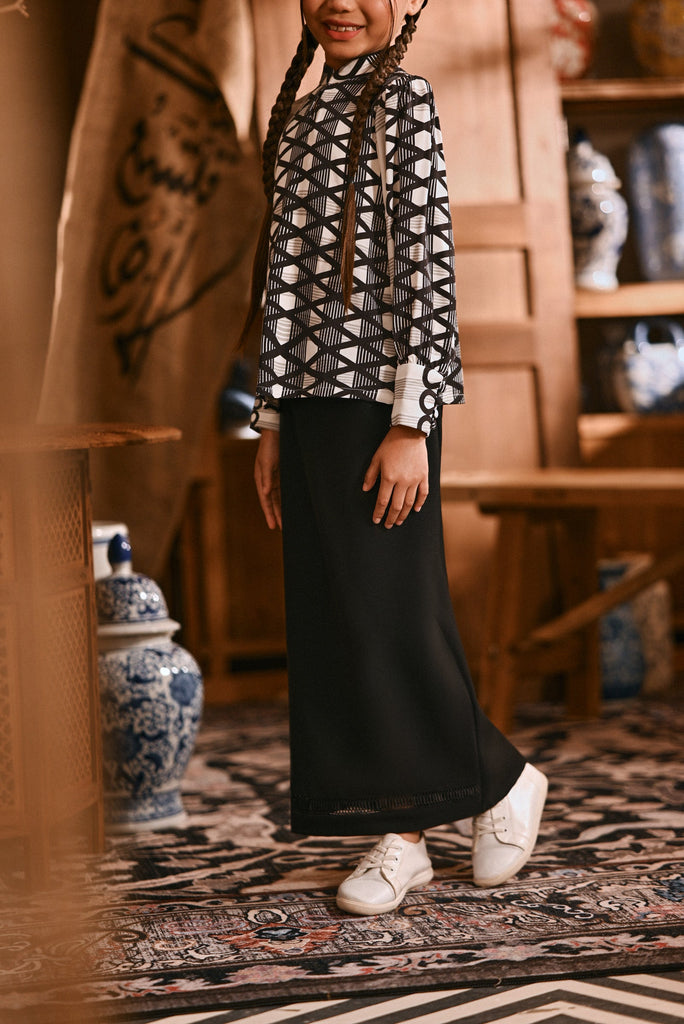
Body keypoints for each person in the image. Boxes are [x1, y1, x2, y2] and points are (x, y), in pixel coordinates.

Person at [246, 0, 548, 916]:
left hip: (382, 405)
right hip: (309, 404)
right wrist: (271, 420)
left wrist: (413, 423)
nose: (341, 1)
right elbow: (282, 281)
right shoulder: (302, 116)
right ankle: (408, 833)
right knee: (339, 617)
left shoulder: (404, 101)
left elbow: (427, 265)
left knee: (392, 612)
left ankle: (500, 781)